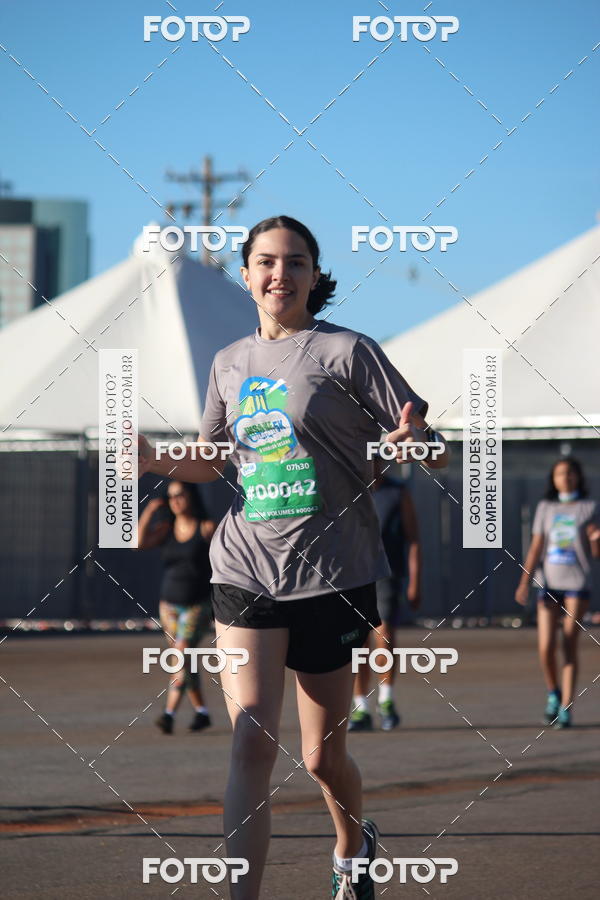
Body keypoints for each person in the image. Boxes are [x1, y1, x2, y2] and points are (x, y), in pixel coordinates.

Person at [137, 215, 450, 899]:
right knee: (250, 739)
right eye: (267, 262)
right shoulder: (227, 362)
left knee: (320, 757)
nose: (281, 274)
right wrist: (153, 457)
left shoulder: (346, 351)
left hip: (333, 575)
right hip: (245, 568)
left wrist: (415, 438)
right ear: (246, 273)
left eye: (296, 262)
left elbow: (426, 439)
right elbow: (214, 461)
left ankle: (352, 846)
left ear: (315, 275)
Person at [515, 457, 600, 728]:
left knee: (569, 642)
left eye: (571, 474)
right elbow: (536, 546)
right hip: (548, 581)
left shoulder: (589, 507)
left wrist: (596, 540)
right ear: (553, 478)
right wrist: (524, 581)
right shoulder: (546, 508)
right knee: (546, 646)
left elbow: (596, 553)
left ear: (579, 477)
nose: (566, 478)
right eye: (561, 474)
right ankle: (553, 692)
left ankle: (566, 705)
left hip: (577, 582)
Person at [348, 455, 421, 732]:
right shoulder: (348, 491)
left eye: (376, 460)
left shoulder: (397, 492)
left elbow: (414, 539)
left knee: (385, 634)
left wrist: (416, 581)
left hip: (387, 575)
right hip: (353, 578)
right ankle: (359, 707)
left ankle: (386, 699)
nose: (372, 465)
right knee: (357, 643)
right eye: (367, 460)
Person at [136, 481, 216, 734]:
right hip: (169, 606)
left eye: (180, 495)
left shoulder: (206, 528)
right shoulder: (166, 529)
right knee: (184, 660)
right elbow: (137, 543)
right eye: (171, 497)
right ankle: (202, 712)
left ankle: (168, 714)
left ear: (191, 496)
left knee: (180, 654)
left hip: (198, 604)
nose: (176, 500)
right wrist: (149, 511)